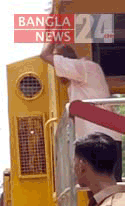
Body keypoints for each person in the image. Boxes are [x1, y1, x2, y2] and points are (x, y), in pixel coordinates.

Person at [40, 42, 122, 181]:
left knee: (103, 187)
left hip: (98, 139)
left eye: (57, 64)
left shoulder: (83, 68)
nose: (56, 69)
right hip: (103, 137)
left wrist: (52, 36)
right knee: (101, 189)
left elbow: (44, 55)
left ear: (66, 60)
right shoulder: (82, 77)